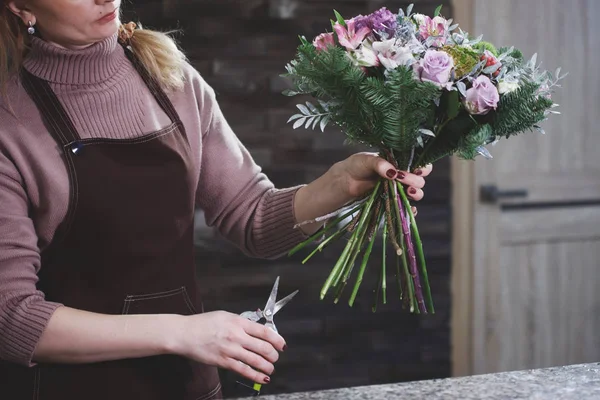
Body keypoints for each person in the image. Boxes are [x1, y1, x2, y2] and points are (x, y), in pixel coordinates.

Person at [0, 0, 432, 399]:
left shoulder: (170, 78)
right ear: (21, 6)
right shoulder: (10, 122)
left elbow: (255, 219)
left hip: (184, 385)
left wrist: (344, 181)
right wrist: (185, 334)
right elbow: (12, 319)